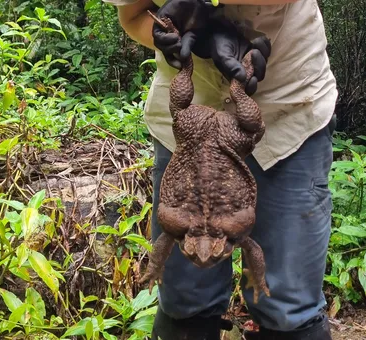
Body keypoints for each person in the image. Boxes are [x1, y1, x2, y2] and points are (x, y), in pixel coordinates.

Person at [103, 0, 338, 338]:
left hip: (287, 107)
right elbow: (133, 15)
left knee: (289, 306)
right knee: (184, 301)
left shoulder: (230, 229)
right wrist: (168, 36)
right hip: (188, 123)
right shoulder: (192, 229)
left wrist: (207, 10)